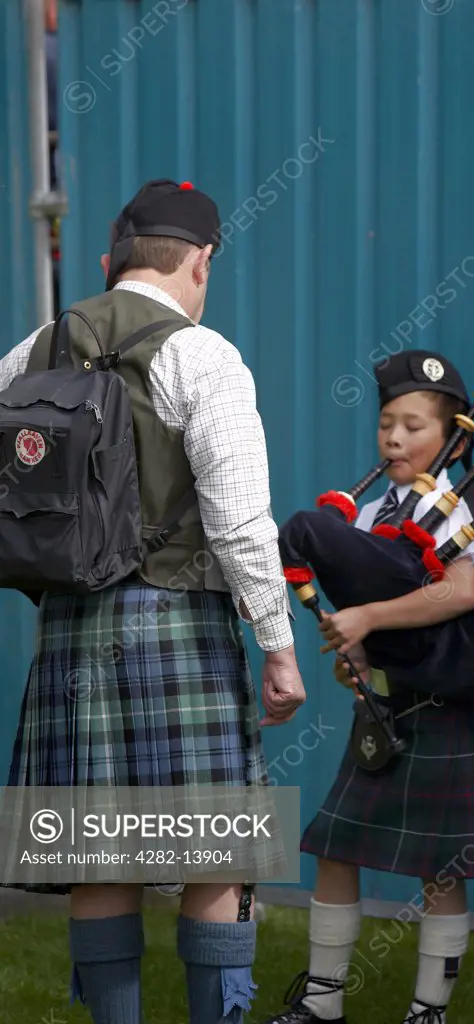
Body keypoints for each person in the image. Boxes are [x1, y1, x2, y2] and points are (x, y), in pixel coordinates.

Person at [0, 179, 306, 1024]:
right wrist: (277, 645)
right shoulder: (202, 355)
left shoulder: (29, 354)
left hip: (67, 634)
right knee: (212, 855)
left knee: (103, 860)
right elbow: (241, 522)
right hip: (178, 628)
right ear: (202, 261)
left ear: (108, 263)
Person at [261, 350, 474, 1024]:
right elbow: (353, 609)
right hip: (380, 708)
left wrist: (368, 617)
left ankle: (426, 1010)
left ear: (453, 440)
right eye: (386, 425)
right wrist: (351, 650)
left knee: (440, 868)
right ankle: (321, 1003)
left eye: (412, 426)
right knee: (334, 847)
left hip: (441, 705)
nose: (394, 439)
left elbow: (460, 593)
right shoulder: (370, 510)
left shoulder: (457, 508)